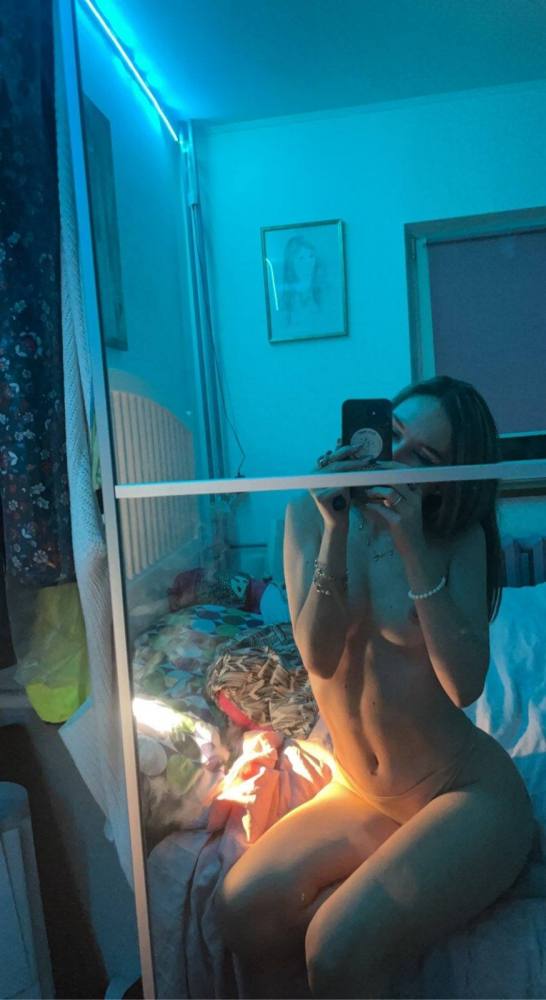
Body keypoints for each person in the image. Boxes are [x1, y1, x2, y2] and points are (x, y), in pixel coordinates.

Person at [217, 375, 536, 999]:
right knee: (240, 909)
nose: (397, 457)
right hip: (359, 791)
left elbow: (465, 685)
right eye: (394, 435)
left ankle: (501, 852)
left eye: (425, 457)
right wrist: (334, 532)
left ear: (447, 479)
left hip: (460, 790)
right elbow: (319, 656)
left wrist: (412, 543)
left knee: (336, 949)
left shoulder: (457, 538)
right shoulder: (305, 515)